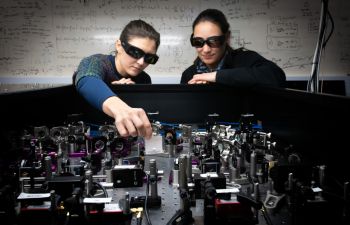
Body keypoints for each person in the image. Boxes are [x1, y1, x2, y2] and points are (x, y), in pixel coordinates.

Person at [73, 19, 160, 139]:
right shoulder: (96, 62)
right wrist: (114, 96)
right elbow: (87, 79)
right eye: (135, 52)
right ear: (119, 45)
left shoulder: (144, 79)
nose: (141, 62)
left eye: (149, 58)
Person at [180, 9, 286, 88]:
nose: (206, 49)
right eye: (198, 42)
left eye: (214, 41)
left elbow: (277, 76)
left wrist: (216, 76)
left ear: (227, 37)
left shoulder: (246, 60)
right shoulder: (189, 74)